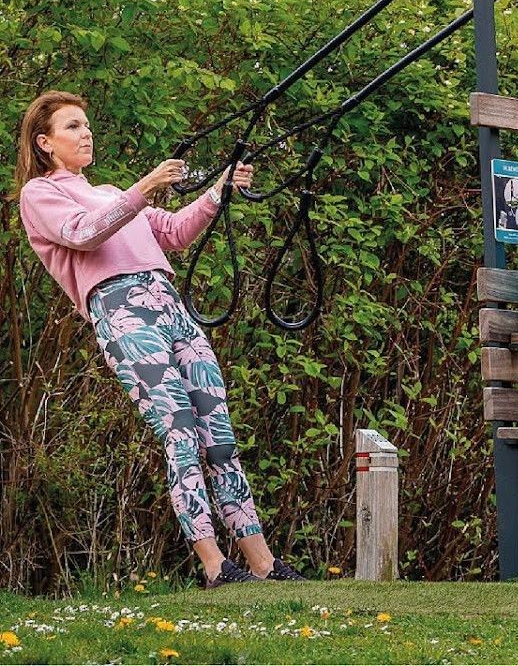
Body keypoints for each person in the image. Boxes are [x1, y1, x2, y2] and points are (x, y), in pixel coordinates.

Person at [15, 90, 308, 589]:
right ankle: (215, 565)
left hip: (169, 305)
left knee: (219, 436)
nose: (86, 134)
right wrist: (146, 186)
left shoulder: (110, 191)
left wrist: (217, 191)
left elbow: (172, 232)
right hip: (121, 310)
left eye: (86, 124)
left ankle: (263, 563)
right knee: (179, 430)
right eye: (72, 126)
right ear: (45, 142)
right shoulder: (40, 194)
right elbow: (84, 233)